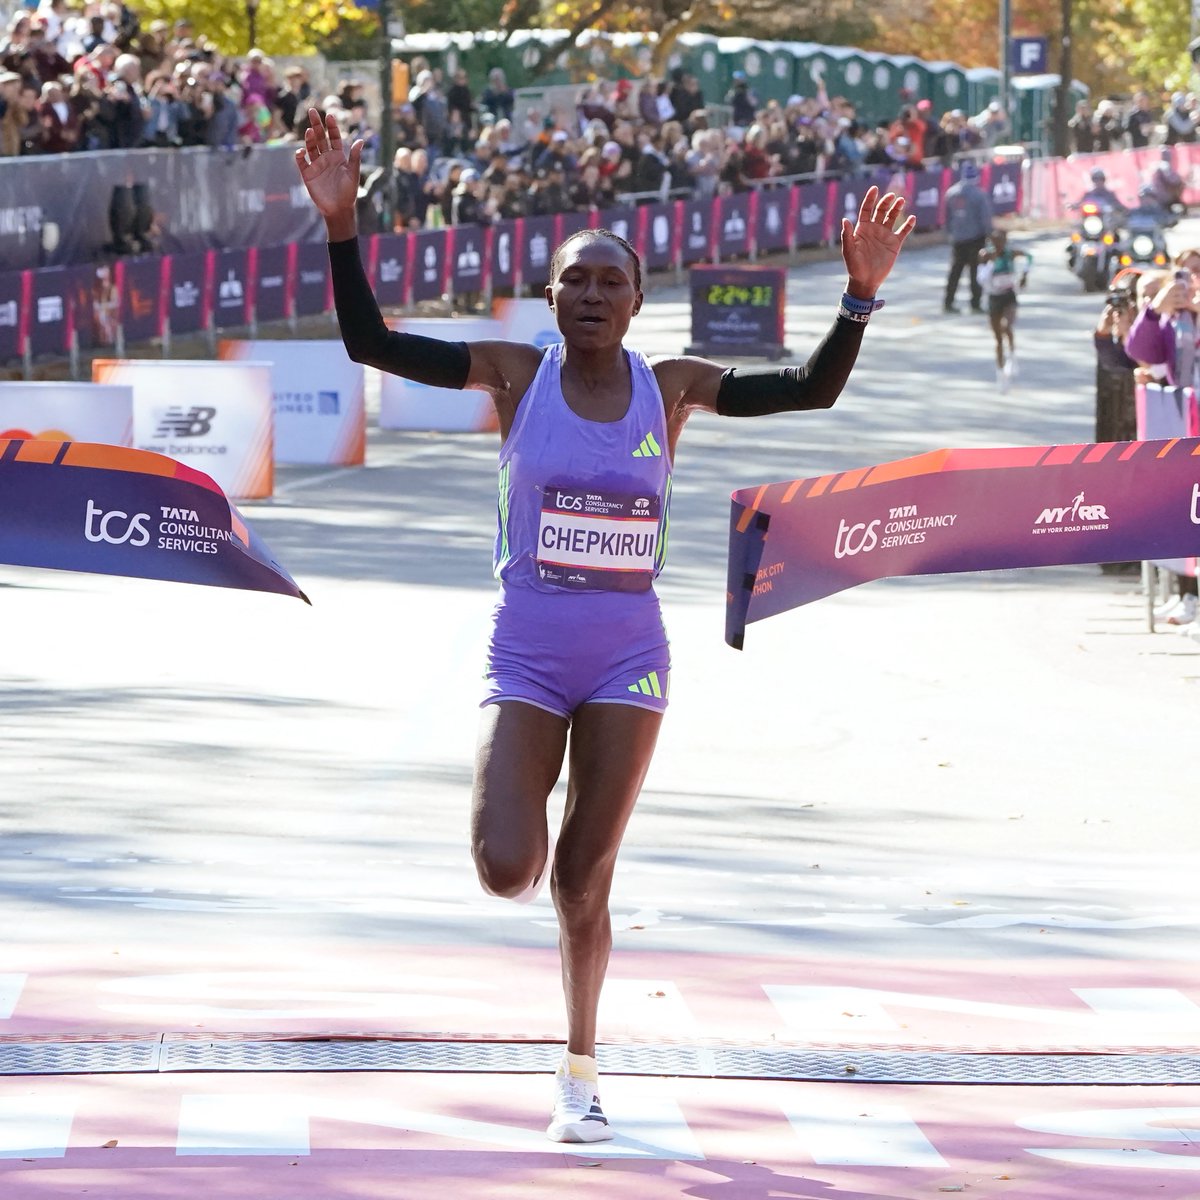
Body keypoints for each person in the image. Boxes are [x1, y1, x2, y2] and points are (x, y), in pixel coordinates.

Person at [293, 106, 915, 1145]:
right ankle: (528, 813)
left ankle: (579, 1072)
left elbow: (808, 390)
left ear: (636, 301)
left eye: (609, 282)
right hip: (529, 645)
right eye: (573, 280)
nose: (590, 295)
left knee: (583, 880)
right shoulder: (514, 375)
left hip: (628, 652)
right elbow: (371, 341)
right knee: (506, 866)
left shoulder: (669, 390)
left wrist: (859, 294)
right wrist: (342, 225)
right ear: (549, 298)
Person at [977, 229, 1031, 390]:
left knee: (1007, 326)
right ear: (991, 242)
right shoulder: (985, 255)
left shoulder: (1011, 253)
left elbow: (1029, 257)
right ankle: (1000, 374)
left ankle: (1012, 355)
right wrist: (991, 263)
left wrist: (1024, 276)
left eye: (1002, 241)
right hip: (994, 298)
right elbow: (981, 279)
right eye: (995, 241)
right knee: (998, 338)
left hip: (1009, 296)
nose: (999, 244)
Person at [943, 160, 992, 313]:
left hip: (958, 238)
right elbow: (985, 218)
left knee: (955, 272)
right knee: (975, 273)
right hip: (976, 238)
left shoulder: (951, 193)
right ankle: (975, 304)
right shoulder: (979, 195)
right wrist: (989, 234)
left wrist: (950, 233)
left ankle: (948, 302)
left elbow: (947, 217)